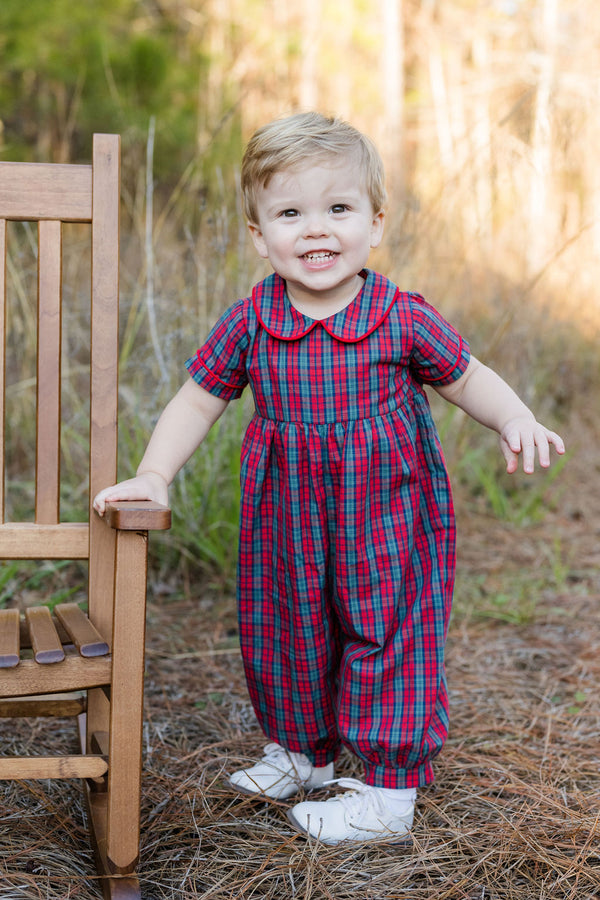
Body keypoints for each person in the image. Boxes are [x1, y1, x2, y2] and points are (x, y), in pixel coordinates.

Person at [93, 112, 565, 845]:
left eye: (338, 209)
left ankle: (385, 792)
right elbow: (198, 397)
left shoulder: (400, 317)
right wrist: (156, 473)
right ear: (258, 235)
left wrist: (515, 418)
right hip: (288, 515)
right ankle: (303, 752)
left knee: (387, 633)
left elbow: (467, 377)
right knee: (286, 627)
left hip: (387, 517)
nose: (316, 230)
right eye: (290, 213)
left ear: (375, 223)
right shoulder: (253, 320)